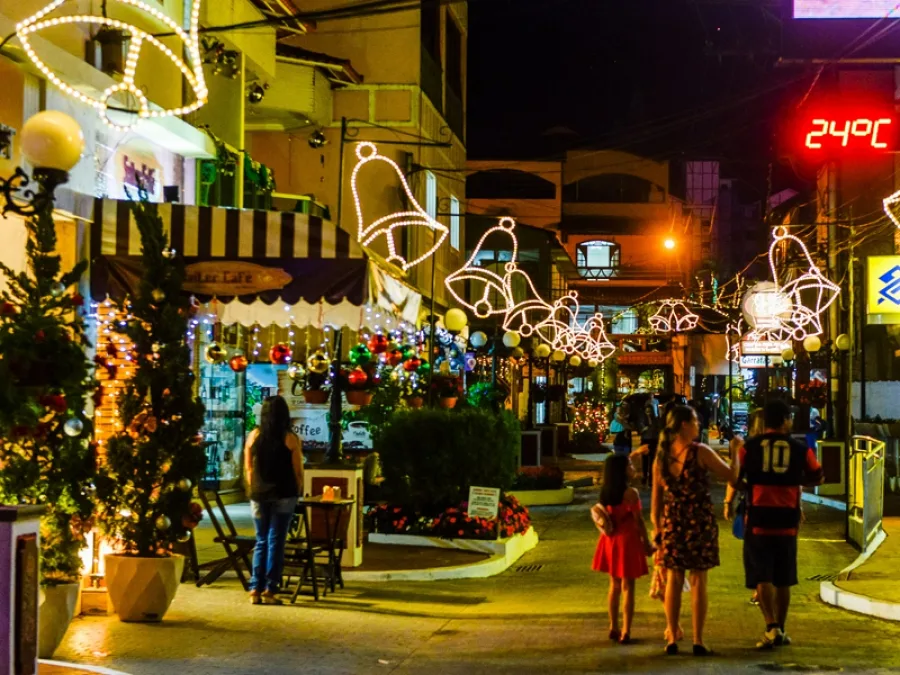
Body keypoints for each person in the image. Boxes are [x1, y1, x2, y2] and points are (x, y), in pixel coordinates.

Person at [731, 400, 824, 649]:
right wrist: (793, 481)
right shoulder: (800, 448)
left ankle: (770, 625)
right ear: (784, 420)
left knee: (762, 574)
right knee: (784, 577)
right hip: (787, 519)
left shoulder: (749, 448)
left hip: (758, 518)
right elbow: (817, 475)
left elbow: (736, 479)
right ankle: (780, 627)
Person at [651, 404, 739, 656]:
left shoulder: (662, 456)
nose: (699, 425)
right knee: (698, 580)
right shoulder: (700, 452)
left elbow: (656, 501)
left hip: (673, 523)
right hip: (698, 522)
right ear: (683, 426)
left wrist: (657, 528)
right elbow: (731, 476)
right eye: (695, 422)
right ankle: (698, 639)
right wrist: (737, 452)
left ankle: (671, 636)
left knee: (674, 580)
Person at [243, 395, 304, 605]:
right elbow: (298, 471)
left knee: (261, 540)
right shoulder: (290, 439)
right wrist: (299, 489)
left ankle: (254, 589)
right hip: (284, 493)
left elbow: (248, 468)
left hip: (259, 494)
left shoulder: (254, 436)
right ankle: (270, 589)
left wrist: (253, 486)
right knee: (276, 541)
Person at [591, 454, 654, 645]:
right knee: (628, 587)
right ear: (622, 470)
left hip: (610, 541)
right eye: (629, 465)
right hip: (627, 540)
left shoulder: (606, 492)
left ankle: (613, 626)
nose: (633, 467)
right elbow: (639, 520)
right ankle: (626, 630)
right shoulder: (631, 493)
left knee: (614, 586)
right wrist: (646, 544)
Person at [725, 409, 766, 606]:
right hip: (781, 510)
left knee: (755, 552)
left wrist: (728, 502)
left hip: (754, 507)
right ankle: (769, 591)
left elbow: (735, 478)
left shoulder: (747, 448)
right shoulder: (785, 447)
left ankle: (760, 592)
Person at [639, 402, 660, 486]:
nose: (648, 413)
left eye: (650, 411)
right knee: (645, 460)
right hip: (645, 440)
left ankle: (651, 479)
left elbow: (657, 429)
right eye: (647, 411)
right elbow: (640, 429)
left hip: (653, 440)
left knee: (652, 460)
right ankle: (644, 477)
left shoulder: (655, 419)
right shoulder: (642, 419)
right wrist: (644, 428)